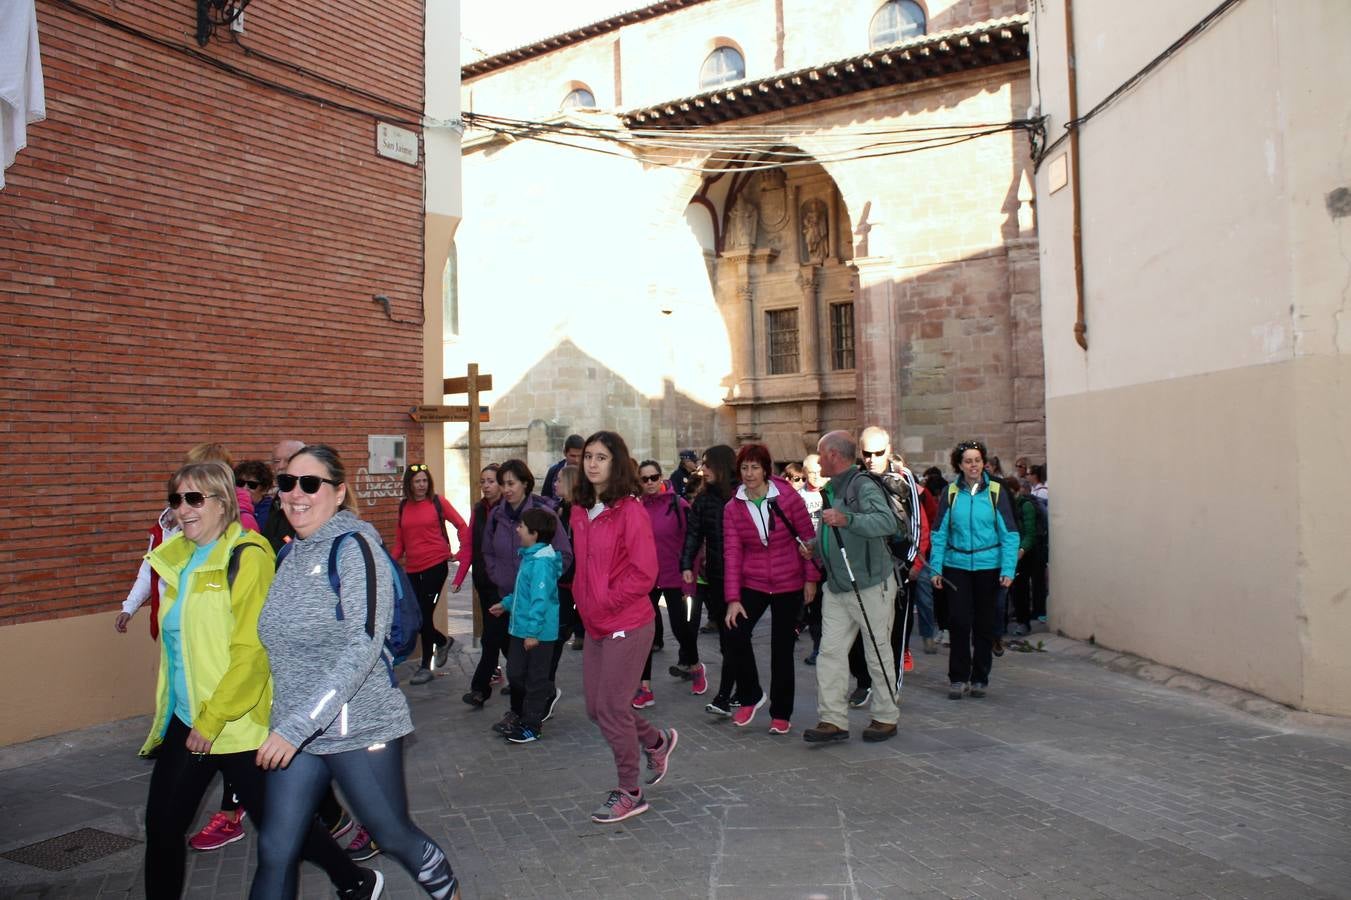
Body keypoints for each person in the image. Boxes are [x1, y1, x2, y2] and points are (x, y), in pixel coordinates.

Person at [139, 461, 376, 900]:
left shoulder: (247, 556)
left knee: (282, 825)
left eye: (195, 498)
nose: (183, 509)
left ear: (223, 501)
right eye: (176, 499)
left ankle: (356, 880)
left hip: (239, 724)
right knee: (162, 827)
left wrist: (211, 722)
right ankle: (355, 879)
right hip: (187, 719)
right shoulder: (176, 559)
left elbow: (251, 652)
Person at [252, 444, 459, 899]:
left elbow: (363, 646)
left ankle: (447, 890)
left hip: (358, 728)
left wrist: (298, 725)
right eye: (287, 482)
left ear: (340, 491)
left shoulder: (355, 548)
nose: (296, 494)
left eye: (311, 483)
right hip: (300, 729)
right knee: (275, 847)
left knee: (392, 836)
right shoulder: (290, 556)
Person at [569, 431, 677, 824]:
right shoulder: (580, 510)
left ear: (616, 464)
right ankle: (656, 741)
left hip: (628, 623)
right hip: (596, 623)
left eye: (602, 457)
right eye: (589, 457)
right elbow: (584, 567)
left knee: (613, 708)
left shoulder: (630, 510)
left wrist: (604, 599)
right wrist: (583, 601)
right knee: (597, 709)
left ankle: (631, 791)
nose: (593, 464)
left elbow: (645, 574)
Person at [803, 431, 901, 744]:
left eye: (821, 454)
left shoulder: (863, 484)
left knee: (877, 651)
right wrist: (814, 546)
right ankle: (832, 720)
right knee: (829, 653)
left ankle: (886, 717)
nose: (818, 461)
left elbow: (887, 523)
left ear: (833, 455)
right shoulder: (831, 488)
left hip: (870, 585)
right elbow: (831, 530)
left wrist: (847, 520)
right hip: (838, 585)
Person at [722, 443, 819, 734]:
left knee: (782, 648)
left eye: (755, 467)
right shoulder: (733, 507)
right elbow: (732, 553)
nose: (749, 473)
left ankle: (781, 712)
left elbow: (808, 540)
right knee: (734, 632)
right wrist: (732, 598)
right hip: (754, 581)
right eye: (744, 468)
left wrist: (810, 578)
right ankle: (751, 695)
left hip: (789, 580)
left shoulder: (787, 497)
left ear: (766, 469)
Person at [481, 459, 572, 733]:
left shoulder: (543, 515)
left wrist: (540, 581)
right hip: (508, 598)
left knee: (531, 667)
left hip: (535, 607)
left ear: (525, 483)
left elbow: (564, 555)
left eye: (511, 483)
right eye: (503, 483)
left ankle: (526, 714)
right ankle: (522, 710)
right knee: (514, 665)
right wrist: (499, 577)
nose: (506, 489)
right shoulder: (497, 515)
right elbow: (486, 551)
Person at [929, 439, 1020, 700]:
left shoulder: (996, 491)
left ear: (984, 463)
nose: (973, 465)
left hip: (988, 567)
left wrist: (1008, 569)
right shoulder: (950, 493)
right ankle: (958, 677)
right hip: (956, 566)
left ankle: (980, 676)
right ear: (959, 464)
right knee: (958, 621)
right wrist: (936, 569)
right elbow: (939, 533)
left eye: (977, 460)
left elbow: (1010, 534)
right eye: (968, 461)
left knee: (984, 623)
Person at [847, 428, 930, 707]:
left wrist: (910, 564)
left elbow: (917, 522)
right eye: (866, 453)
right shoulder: (854, 480)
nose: (871, 459)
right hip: (863, 569)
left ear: (888, 448)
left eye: (878, 453)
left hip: (897, 568)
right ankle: (863, 682)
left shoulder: (904, 479)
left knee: (894, 633)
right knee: (859, 630)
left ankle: (890, 689)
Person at [489, 507, 565, 744]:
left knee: (534, 679)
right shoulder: (529, 557)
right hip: (520, 629)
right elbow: (523, 594)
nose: (517, 529)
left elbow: (540, 601)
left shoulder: (541, 563)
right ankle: (547, 692)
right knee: (515, 674)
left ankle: (532, 725)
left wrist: (533, 632)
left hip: (539, 634)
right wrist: (506, 604)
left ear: (534, 534)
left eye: (522, 526)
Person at [391, 463, 469, 685]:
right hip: (413, 569)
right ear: (409, 484)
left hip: (436, 565)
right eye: (417, 481)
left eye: (425, 481)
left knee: (424, 615)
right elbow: (400, 543)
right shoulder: (403, 506)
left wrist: (462, 551)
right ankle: (443, 641)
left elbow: (461, 525)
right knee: (416, 618)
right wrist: (388, 564)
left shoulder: (438, 502)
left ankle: (426, 667)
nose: (422, 485)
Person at [679, 445, 739, 716]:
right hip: (715, 574)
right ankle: (740, 688)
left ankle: (726, 694)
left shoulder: (741, 495)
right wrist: (686, 564)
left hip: (742, 575)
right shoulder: (703, 500)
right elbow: (693, 534)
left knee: (735, 635)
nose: (703, 470)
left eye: (708, 464)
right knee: (728, 637)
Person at [636, 459, 699, 705]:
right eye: (645, 479)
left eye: (654, 477)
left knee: (680, 627)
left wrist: (689, 573)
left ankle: (695, 666)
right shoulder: (637, 507)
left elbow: (691, 540)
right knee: (644, 634)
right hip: (647, 578)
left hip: (674, 574)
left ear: (661, 477)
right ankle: (645, 688)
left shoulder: (678, 503)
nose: (650, 483)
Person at [455, 464, 508, 708]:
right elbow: (470, 544)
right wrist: (459, 577)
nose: (486, 486)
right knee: (503, 638)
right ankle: (528, 681)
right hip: (484, 583)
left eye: (491, 481)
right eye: (483, 481)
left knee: (491, 637)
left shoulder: (508, 509)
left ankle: (480, 689)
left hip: (503, 584)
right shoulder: (478, 509)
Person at [184, 443, 259, 532]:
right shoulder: (182, 511)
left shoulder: (242, 521)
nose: (187, 478)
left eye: (197, 473)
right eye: (186, 472)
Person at [798, 453, 828, 664]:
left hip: (831, 560)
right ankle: (818, 647)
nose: (816, 477)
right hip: (809, 560)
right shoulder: (798, 497)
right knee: (814, 609)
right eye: (811, 473)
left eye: (819, 472)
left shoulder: (833, 494)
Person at [1004, 476, 1040, 636]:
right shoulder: (1005, 506)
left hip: (1023, 555)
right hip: (1008, 552)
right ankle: (1002, 623)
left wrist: (1021, 550)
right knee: (1004, 589)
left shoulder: (1025, 506)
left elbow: (1030, 532)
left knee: (1020, 589)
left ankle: (1023, 622)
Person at [261, 439, 306, 552]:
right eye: (276, 461)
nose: (281, 466)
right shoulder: (277, 500)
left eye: (288, 460)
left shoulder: (309, 499)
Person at [540, 433, 584, 501]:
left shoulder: (589, 472)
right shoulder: (554, 471)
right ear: (564, 453)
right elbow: (545, 497)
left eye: (580, 456)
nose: (577, 460)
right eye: (573, 456)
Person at [235, 460, 275, 532]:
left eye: (252, 485)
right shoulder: (231, 505)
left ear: (264, 489)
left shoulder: (270, 511)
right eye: (240, 483)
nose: (245, 488)